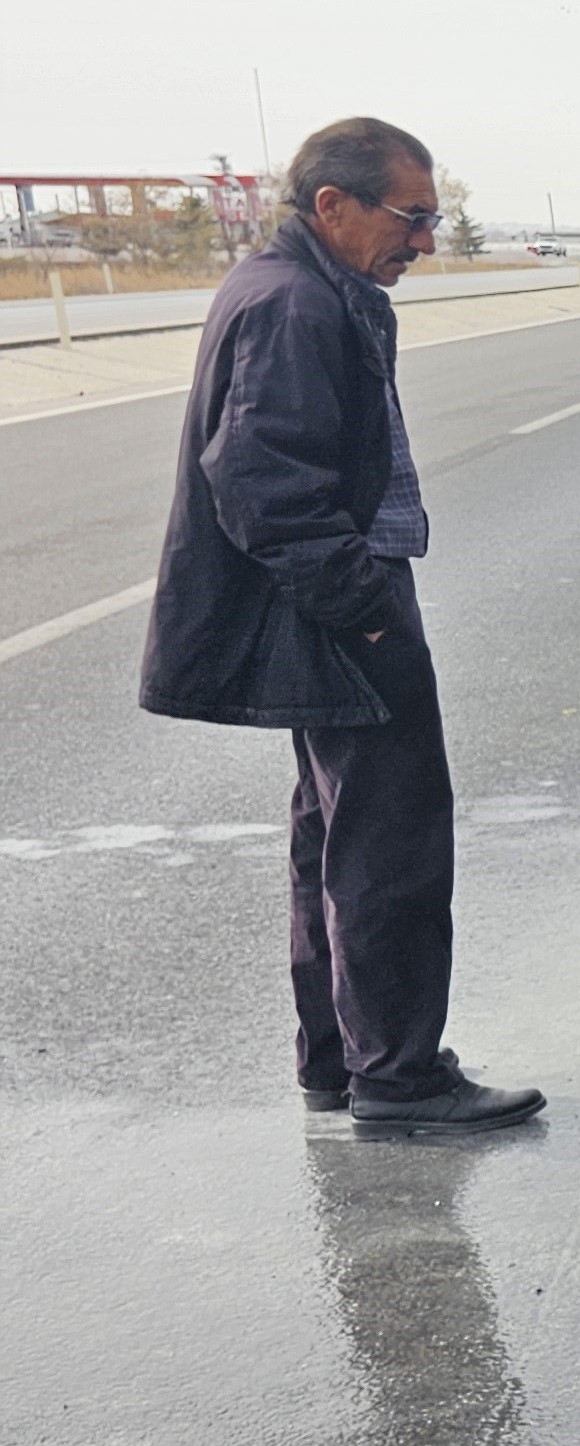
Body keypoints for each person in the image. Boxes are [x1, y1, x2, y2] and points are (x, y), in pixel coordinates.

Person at [139, 116, 545, 1135]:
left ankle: (341, 1060)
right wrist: (366, 615)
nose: (424, 241)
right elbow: (263, 482)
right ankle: (401, 1078)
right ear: (333, 205)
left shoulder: (305, 287)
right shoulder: (291, 304)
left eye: (431, 217)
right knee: (389, 843)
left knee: (334, 837)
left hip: (317, 607)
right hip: (333, 612)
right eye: (411, 217)